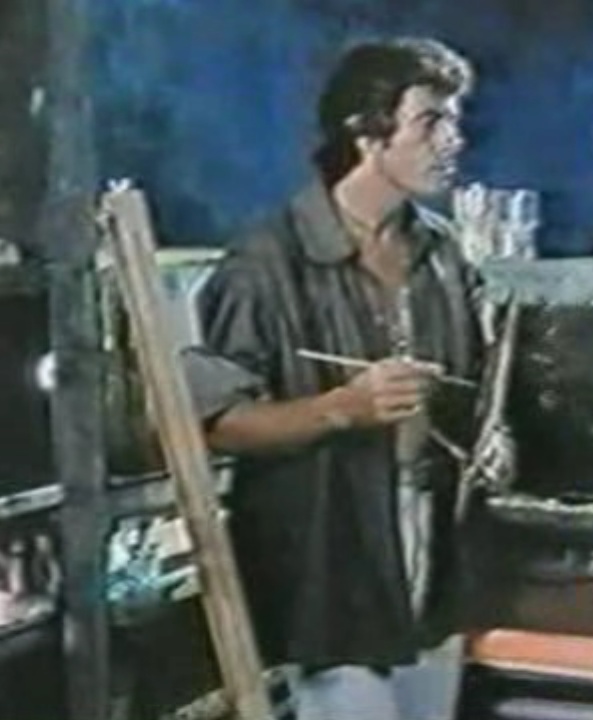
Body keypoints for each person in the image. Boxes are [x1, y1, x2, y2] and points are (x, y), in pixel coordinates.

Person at [187, 37, 510, 720]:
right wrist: (341, 408)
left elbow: (478, 390)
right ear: (367, 133)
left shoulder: (443, 253)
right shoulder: (266, 262)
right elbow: (215, 423)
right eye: (431, 122)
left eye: (454, 122)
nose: (453, 141)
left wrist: (492, 435)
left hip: (432, 560)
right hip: (329, 570)